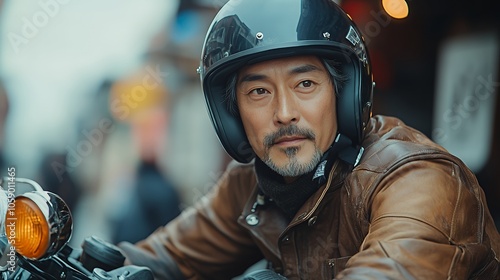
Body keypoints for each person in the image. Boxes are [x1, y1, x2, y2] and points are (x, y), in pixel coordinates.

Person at [117, 0, 500, 279]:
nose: (284, 112)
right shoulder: (251, 183)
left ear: (345, 96)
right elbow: (166, 256)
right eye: (258, 92)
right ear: (233, 115)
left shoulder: (418, 179)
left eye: (305, 84)